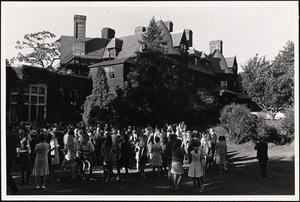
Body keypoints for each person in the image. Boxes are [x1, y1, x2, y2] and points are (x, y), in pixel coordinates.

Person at [7, 124, 19, 194]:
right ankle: (13, 188)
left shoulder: (5, 135)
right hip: (11, 156)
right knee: (7, 173)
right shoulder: (15, 135)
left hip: (7, 156)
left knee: (6, 174)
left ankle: (13, 188)